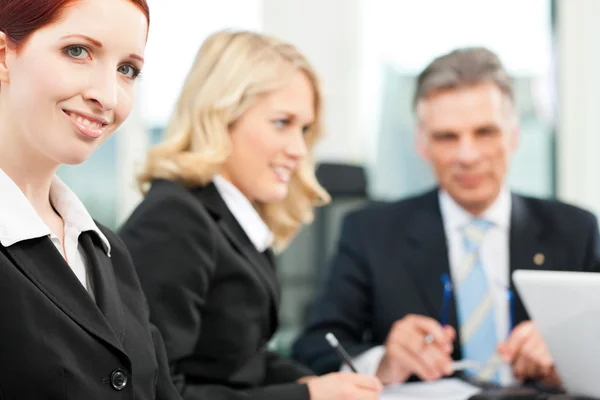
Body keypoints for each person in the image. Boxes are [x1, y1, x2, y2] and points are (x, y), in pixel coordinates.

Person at [292, 47, 600, 388]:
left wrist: (569, 357)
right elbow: (313, 347)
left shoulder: (575, 230)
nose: (467, 155)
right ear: (422, 145)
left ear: (513, 136)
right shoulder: (371, 233)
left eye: (485, 132)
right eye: (447, 137)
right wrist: (382, 362)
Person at [119, 30, 383, 400]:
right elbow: (157, 391)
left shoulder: (234, 217)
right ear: (221, 116)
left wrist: (312, 383)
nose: (298, 149)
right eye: (282, 123)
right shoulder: (175, 220)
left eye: (304, 130)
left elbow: (241, 361)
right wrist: (307, 396)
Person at [0, 0, 184, 398]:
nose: (109, 97)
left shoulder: (105, 249)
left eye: (127, 70)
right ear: (3, 57)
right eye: (77, 51)